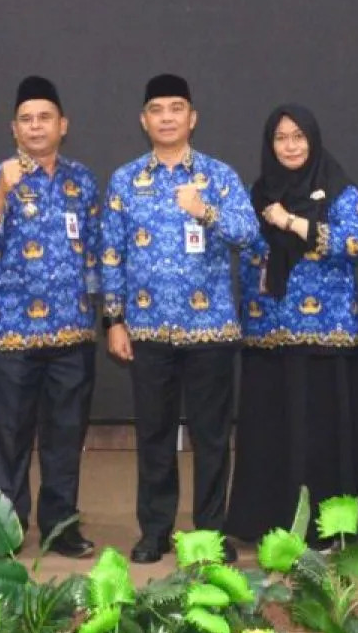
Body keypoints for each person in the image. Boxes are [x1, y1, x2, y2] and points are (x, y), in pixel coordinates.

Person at [102, 73, 256, 564]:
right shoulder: (125, 180)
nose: (166, 117)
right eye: (157, 109)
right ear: (143, 120)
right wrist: (113, 319)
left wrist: (205, 210)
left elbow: (248, 233)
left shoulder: (219, 176)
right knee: (154, 436)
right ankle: (155, 531)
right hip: (147, 330)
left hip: (210, 329)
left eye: (176, 108)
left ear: (192, 118)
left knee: (212, 437)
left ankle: (210, 534)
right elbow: (111, 254)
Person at [226, 104, 358, 545]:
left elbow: (357, 241)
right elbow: (249, 251)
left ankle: (329, 529)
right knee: (272, 434)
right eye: (280, 138)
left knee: (321, 434)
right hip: (268, 335)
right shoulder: (258, 193)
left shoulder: (338, 189)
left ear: (313, 140)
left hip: (326, 335)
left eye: (298, 137)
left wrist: (292, 222)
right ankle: (268, 523)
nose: (290, 146)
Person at [0, 76, 99, 557]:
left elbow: (94, 254)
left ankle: (62, 526)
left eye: (45, 118)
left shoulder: (81, 180)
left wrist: (104, 317)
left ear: (63, 125)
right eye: (27, 119)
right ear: (14, 128)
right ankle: (4, 530)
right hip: (11, 333)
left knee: (65, 437)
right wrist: (2, 192)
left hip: (72, 334)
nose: (36, 126)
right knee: (7, 439)